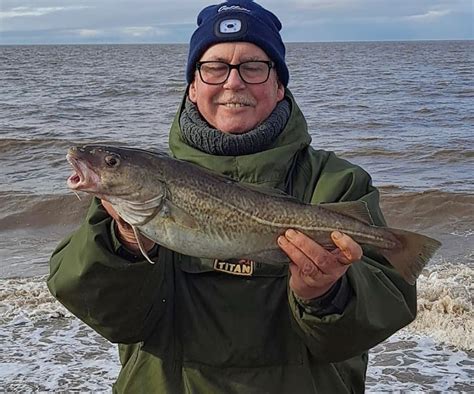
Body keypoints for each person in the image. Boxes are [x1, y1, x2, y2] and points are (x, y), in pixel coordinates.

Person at [48, 1, 417, 393]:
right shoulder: (124, 197)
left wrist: (328, 294)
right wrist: (123, 243)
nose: (233, 82)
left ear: (279, 87)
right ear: (192, 86)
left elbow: (377, 316)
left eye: (254, 67)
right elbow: (112, 318)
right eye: (214, 67)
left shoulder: (339, 182)